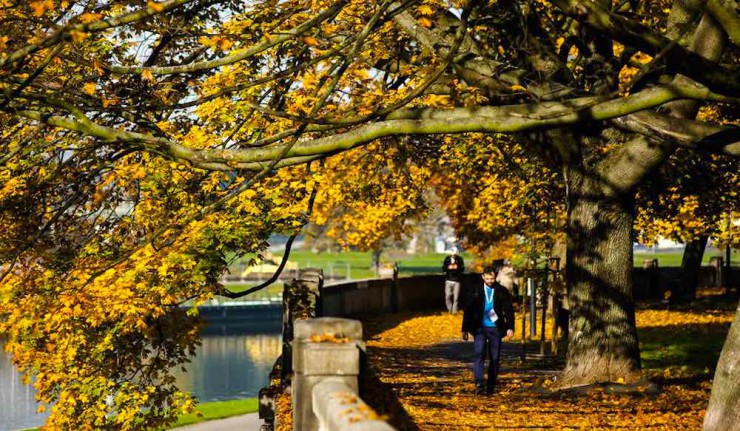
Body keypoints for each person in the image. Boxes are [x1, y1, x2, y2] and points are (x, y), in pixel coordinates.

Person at [461, 265, 515, 395]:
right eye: (488, 278)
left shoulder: (501, 290)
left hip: (495, 328)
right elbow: (468, 309)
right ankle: (479, 383)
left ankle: (491, 384)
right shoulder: (475, 290)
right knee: (479, 354)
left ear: (495, 277)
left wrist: (510, 327)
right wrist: (465, 329)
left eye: (492, 278)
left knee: (494, 358)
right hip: (479, 327)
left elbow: (508, 310)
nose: (490, 281)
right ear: (483, 277)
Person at [442, 247, 465, 313]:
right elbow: (443, 268)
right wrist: (448, 268)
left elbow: (462, 269)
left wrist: (457, 268)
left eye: (455, 254)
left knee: (456, 297)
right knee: (448, 296)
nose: (453, 256)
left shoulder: (460, 259)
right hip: (448, 280)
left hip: (457, 281)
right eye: (452, 254)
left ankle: (454, 311)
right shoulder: (447, 259)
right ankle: (450, 309)